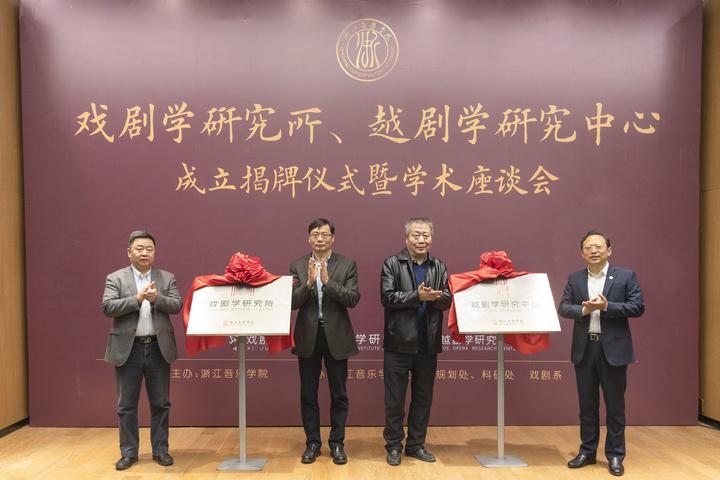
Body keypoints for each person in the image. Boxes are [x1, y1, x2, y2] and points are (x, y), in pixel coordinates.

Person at [558, 230, 645, 477]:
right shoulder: (575, 278)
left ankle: (615, 455)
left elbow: (637, 306)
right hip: (585, 348)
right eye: (588, 248)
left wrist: (607, 306)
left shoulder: (625, 276)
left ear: (609, 250)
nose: (593, 251)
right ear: (582, 253)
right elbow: (564, 307)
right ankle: (587, 451)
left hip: (614, 350)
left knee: (615, 406)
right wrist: (584, 311)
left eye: (598, 246)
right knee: (587, 405)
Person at [102, 231, 182, 470]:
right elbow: (107, 307)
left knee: (161, 403)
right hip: (128, 350)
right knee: (126, 405)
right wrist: (136, 299)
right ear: (129, 252)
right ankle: (128, 453)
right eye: (139, 249)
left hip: (158, 348)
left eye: (149, 249)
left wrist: (157, 298)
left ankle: (161, 450)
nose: (144, 253)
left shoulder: (166, 277)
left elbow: (177, 305)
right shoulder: (115, 278)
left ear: (154, 252)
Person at [380, 217, 451, 466]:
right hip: (398, 343)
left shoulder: (439, 266)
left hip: (428, 344)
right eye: (416, 235)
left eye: (425, 235)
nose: (421, 240)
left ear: (432, 238)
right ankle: (393, 446)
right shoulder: (392, 263)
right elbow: (387, 297)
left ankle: (416, 445)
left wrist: (434, 298)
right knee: (395, 400)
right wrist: (417, 296)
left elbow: (448, 299)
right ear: (406, 238)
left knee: (423, 398)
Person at [290, 218, 360, 465]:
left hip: (337, 336)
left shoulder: (347, 264)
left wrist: (328, 282)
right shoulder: (298, 265)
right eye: (315, 234)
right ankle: (312, 443)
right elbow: (292, 302)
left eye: (324, 235)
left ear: (332, 238)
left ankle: (337, 443)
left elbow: (353, 298)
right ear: (308, 238)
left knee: (339, 394)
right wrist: (309, 283)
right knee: (308, 393)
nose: (320, 239)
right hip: (308, 335)